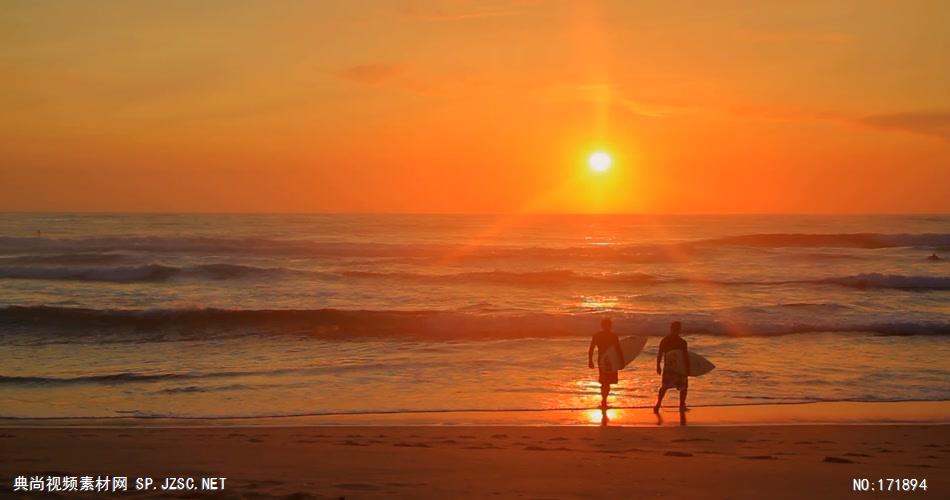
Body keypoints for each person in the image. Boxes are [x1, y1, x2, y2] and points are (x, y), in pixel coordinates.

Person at [654, 321, 690, 413]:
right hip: (680, 368)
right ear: (679, 329)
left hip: (668, 368)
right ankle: (681, 405)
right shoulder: (682, 342)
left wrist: (658, 366)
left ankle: (658, 404)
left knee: (665, 387)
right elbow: (685, 356)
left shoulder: (665, 340)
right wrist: (688, 369)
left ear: (671, 328)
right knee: (683, 387)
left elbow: (660, 354)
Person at [588, 317, 623, 409]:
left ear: (602, 326)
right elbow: (618, 350)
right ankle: (604, 400)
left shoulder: (597, 335)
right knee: (606, 382)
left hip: (603, 360)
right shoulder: (613, 336)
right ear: (610, 326)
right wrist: (622, 361)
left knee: (605, 382)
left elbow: (591, 349)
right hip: (610, 361)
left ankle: (604, 400)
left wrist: (590, 361)